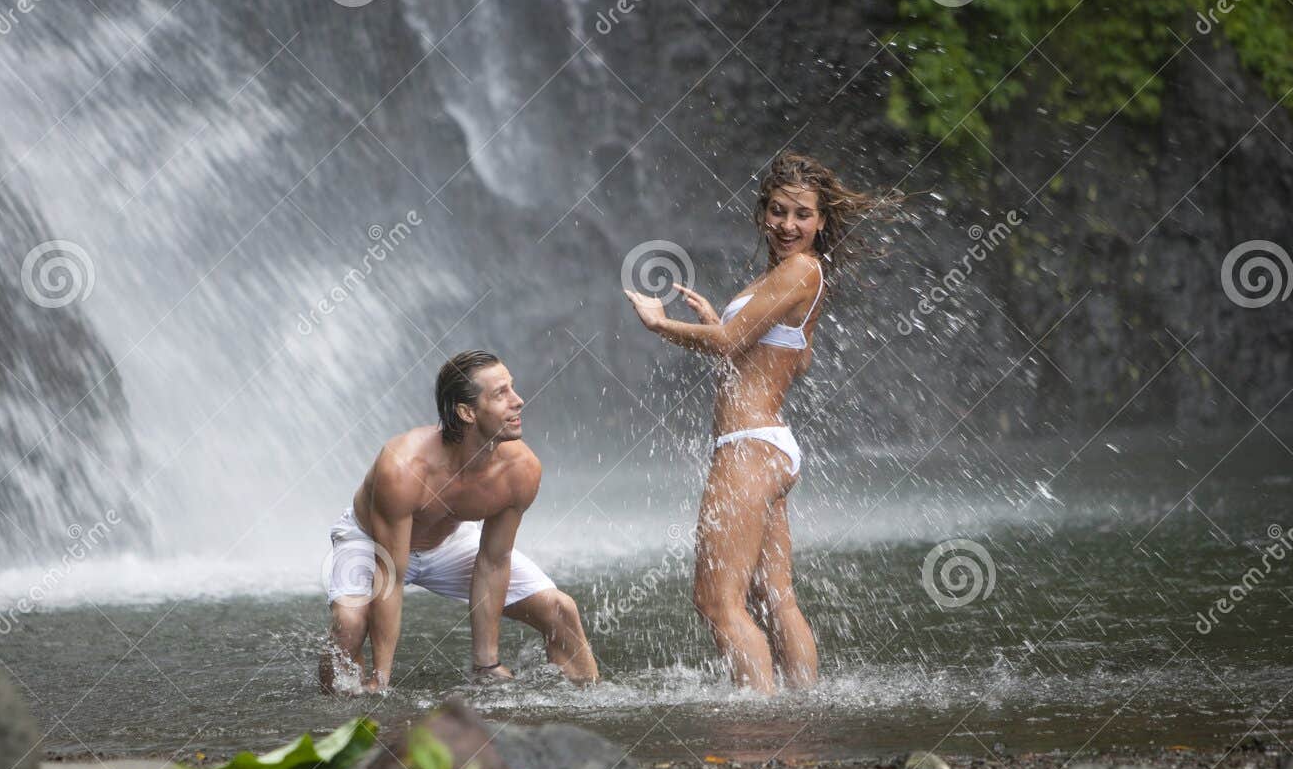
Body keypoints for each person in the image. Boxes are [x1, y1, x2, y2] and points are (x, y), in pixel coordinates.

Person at [625, 151, 899, 693]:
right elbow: (788, 358)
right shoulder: (795, 279)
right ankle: (802, 712)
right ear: (762, 212)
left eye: (802, 214)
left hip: (748, 447)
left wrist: (661, 325)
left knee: (716, 602)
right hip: (770, 444)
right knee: (774, 597)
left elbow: (731, 343)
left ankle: (756, 726)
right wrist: (713, 321)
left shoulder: (800, 269)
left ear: (821, 221)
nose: (788, 225)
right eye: (778, 211)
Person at [319, 350, 601, 694]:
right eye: (501, 394)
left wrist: (488, 662)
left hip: (448, 541)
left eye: (512, 388)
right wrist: (382, 678)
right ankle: (338, 713)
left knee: (561, 611)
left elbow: (493, 562)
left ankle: (587, 705)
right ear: (466, 412)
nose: (519, 400)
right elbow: (389, 574)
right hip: (371, 541)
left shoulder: (521, 470)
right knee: (349, 624)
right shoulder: (403, 466)